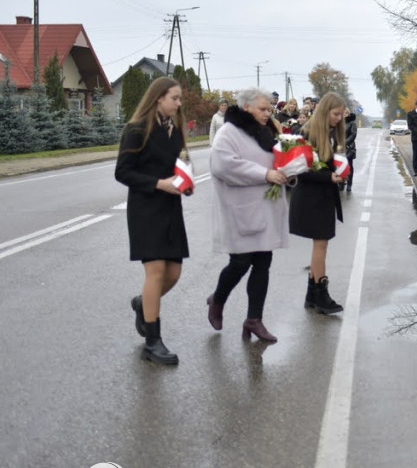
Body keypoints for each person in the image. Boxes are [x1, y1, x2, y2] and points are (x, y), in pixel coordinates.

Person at [115, 77, 192, 366]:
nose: (179, 103)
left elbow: (181, 164)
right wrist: (159, 183)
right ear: (158, 98)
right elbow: (123, 172)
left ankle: (141, 303)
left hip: (171, 208)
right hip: (146, 208)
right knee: (156, 271)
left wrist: (186, 181)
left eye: (180, 98)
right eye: (175, 97)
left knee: (173, 273)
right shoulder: (136, 130)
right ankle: (153, 340)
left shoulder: (176, 131)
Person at [207, 88, 289, 343]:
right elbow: (223, 165)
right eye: (263, 109)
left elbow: (277, 161)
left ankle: (254, 320)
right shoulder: (228, 132)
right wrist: (263, 174)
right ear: (246, 108)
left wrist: (290, 172)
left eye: (269, 109)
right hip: (240, 209)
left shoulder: (266, 132)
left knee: (263, 263)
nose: (268, 113)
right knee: (240, 263)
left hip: (266, 208)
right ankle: (218, 299)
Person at [290, 92, 347, 314]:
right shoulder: (308, 133)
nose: (339, 119)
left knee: (321, 244)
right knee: (320, 244)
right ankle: (320, 295)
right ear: (325, 112)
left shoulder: (330, 133)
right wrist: (329, 177)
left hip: (322, 196)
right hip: (310, 197)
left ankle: (312, 294)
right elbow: (300, 170)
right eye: (335, 114)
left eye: (341, 115)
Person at [343, 106, 358, 192]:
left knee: (349, 166)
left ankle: (349, 183)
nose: (344, 114)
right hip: (340, 147)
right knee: (340, 165)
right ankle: (341, 183)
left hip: (349, 147)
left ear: (348, 113)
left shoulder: (352, 123)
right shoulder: (339, 122)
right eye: (343, 113)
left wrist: (345, 142)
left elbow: (353, 135)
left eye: (346, 113)